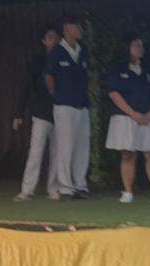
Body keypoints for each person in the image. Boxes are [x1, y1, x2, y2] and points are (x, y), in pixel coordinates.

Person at [105, 32, 150, 204]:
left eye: (141, 45)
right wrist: (134, 114)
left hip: (148, 116)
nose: (140, 48)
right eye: (136, 45)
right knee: (128, 154)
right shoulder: (117, 68)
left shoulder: (148, 67)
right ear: (127, 47)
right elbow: (114, 94)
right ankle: (127, 191)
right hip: (125, 118)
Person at [13, 25, 61, 202]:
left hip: (61, 112)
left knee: (58, 153)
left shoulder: (63, 59)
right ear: (44, 41)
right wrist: (18, 114)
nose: (53, 40)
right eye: (50, 37)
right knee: (36, 151)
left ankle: (53, 189)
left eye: (56, 37)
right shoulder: (37, 62)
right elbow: (25, 87)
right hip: (41, 112)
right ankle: (27, 190)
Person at [45, 14, 91, 201]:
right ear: (66, 28)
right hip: (64, 105)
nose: (80, 30)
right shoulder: (57, 51)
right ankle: (65, 188)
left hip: (82, 105)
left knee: (82, 146)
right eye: (76, 26)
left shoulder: (83, 50)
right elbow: (49, 76)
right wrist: (57, 96)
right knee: (65, 146)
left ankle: (80, 185)